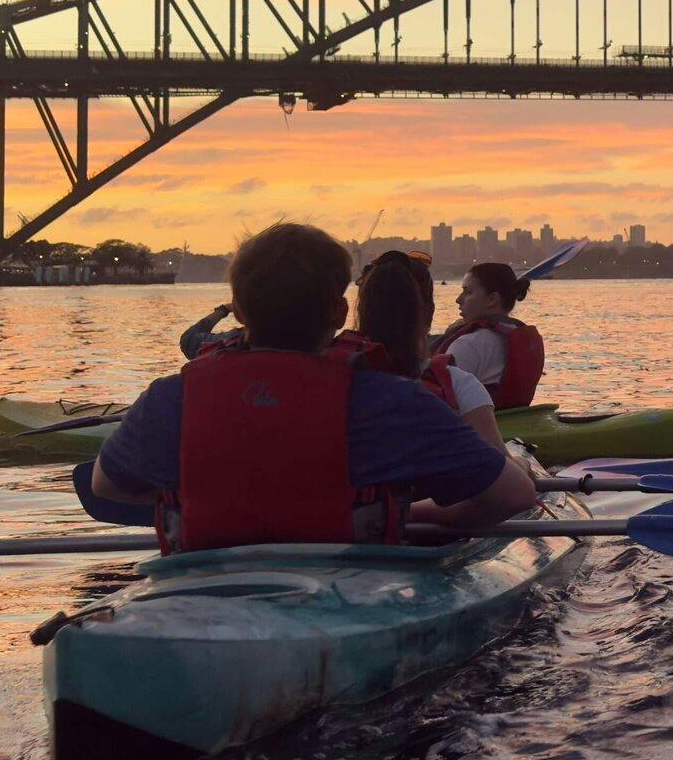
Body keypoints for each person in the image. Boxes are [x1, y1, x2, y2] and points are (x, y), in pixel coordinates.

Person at [91, 223, 540, 552]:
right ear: (339, 315)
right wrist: (429, 516)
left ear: (241, 313)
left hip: (198, 597)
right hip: (352, 591)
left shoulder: (170, 398)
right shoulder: (394, 402)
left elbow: (105, 486)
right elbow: (514, 496)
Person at [349, 250, 509, 446]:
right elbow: (506, 469)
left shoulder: (336, 380)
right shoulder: (459, 384)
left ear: (360, 311)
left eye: (467, 291)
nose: (459, 299)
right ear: (429, 312)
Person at [436, 261, 545, 410]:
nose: (458, 299)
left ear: (492, 299)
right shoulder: (519, 335)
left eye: (468, 292)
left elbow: (439, 403)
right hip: (510, 420)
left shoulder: (468, 344)